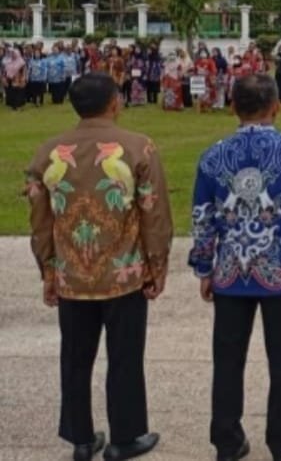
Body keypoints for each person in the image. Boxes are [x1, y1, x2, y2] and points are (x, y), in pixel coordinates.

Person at [26, 73, 172, 461]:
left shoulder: (48, 152)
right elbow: (153, 213)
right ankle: (125, 438)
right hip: (122, 273)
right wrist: (156, 266)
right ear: (114, 102)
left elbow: (40, 221)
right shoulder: (138, 147)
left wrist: (48, 269)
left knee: (74, 357)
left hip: (72, 274)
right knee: (124, 356)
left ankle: (80, 438)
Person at [188, 74, 281, 461]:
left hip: (231, 273)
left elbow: (203, 219)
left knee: (227, 361)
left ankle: (227, 441)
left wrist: (204, 268)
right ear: (276, 106)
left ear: (232, 105)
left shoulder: (213, 155)